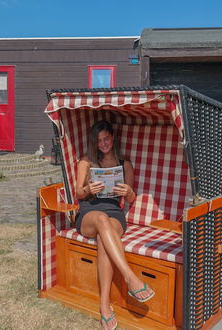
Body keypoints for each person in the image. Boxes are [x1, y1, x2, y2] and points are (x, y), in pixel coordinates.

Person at [75, 120, 155, 330]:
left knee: (104, 237)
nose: (103, 144)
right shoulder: (86, 161)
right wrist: (89, 189)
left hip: (115, 215)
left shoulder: (124, 164)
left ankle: (104, 307)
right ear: (94, 142)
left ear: (113, 137)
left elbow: (130, 199)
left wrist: (127, 192)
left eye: (106, 138)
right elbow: (77, 193)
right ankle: (130, 278)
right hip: (89, 214)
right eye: (99, 140)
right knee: (101, 219)